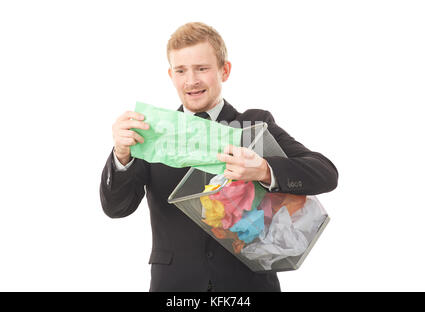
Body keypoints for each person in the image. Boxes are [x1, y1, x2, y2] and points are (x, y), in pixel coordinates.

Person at [100, 22, 338, 292]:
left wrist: (263, 170)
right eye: (181, 71)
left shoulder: (254, 127)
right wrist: (122, 154)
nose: (191, 81)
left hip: (247, 286)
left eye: (202, 68)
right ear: (171, 75)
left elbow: (326, 174)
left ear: (224, 70)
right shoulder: (153, 135)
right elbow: (116, 209)